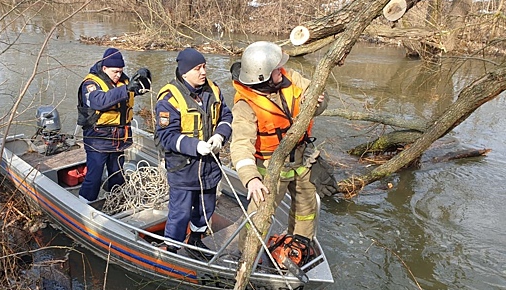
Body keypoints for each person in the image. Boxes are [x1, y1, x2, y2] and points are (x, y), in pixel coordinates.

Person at [229, 41, 333, 248]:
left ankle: (300, 244)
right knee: (260, 212)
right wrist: (251, 179)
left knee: (306, 208)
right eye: (276, 68)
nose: (282, 70)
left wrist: (318, 102)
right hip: (270, 167)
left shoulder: (290, 77)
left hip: (302, 158)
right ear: (263, 75)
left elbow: (316, 94)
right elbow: (241, 144)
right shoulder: (245, 105)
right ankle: (246, 251)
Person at [154, 48, 233, 260]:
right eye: (198, 68)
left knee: (204, 209)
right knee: (180, 213)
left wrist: (220, 136)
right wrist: (194, 146)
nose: (203, 72)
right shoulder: (169, 98)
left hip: (209, 167)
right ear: (185, 72)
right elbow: (165, 136)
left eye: (204, 67)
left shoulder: (213, 90)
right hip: (183, 168)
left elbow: (226, 115)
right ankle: (172, 249)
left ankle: (196, 241)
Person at [77, 47, 152, 203]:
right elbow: (99, 101)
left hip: (119, 138)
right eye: (115, 72)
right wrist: (126, 88)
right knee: (94, 175)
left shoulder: (124, 81)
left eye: (120, 71)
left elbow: (141, 89)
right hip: (98, 138)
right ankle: (84, 203)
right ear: (104, 68)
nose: (118, 75)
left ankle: (117, 200)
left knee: (117, 173)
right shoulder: (90, 84)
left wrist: (145, 78)